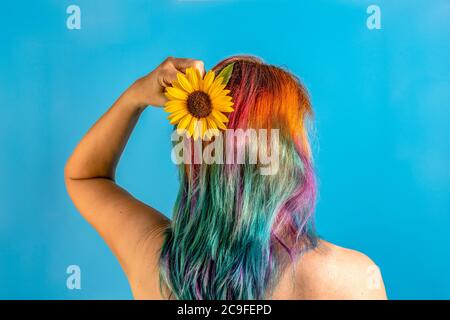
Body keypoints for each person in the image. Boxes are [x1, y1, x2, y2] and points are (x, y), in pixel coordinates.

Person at [64, 55, 387, 300]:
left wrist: (134, 96)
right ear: (288, 155)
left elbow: (85, 177)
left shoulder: (151, 258)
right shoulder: (351, 278)